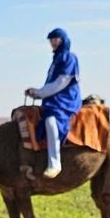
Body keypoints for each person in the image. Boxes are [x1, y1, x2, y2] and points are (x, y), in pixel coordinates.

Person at [24, 28, 80, 179]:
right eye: (51, 40)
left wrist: (40, 93)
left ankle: (54, 164)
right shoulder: (56, 60)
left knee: (51, 121)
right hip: (52, 99)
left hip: (64, 100)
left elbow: (61, 82)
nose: (53, 42)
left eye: (56, 39)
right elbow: (50, 83)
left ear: (63, 40)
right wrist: (36, 92)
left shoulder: (69, 58)